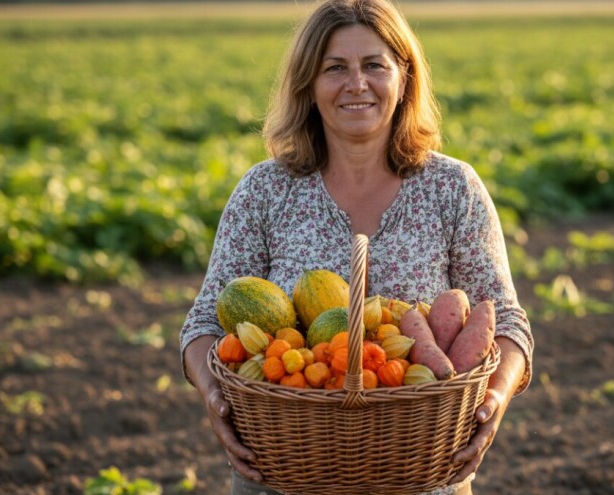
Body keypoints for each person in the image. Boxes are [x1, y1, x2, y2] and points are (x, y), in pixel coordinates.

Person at [179, 0, 533, 493]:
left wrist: (494, 399)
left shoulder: (453, 188)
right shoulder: (265, 190)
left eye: (374, 66)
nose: (357, 84)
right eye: (335, 68)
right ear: (308, 84)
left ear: (404, 78)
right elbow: (202, 323)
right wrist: (215, 398)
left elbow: (508, 321)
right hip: (286, 470)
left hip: (422, 472)